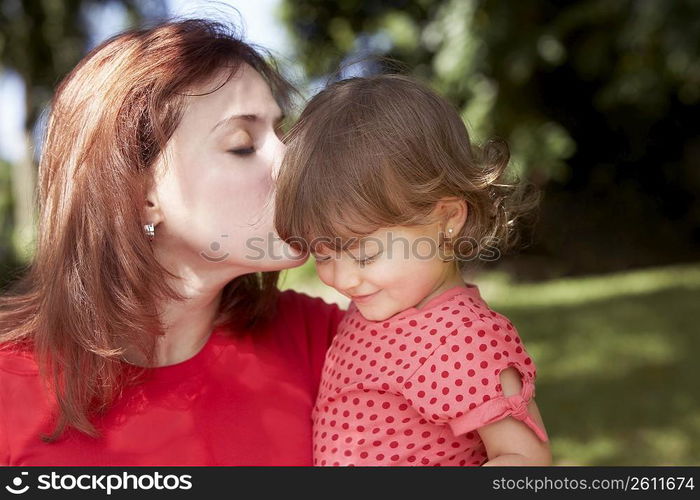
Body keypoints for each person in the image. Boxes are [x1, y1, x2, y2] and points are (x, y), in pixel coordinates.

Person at [0, 19, 344, 465]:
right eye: (242, 144)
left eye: (282, 133)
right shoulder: (10, 388)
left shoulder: (331, 341)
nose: (291, 159)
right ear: (139, 196)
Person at [275, 74, 551, 466]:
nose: (343, 279)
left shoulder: (462, 336)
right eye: (322, 254)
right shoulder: (379, 309)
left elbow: (525, 460)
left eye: (365, 254)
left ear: (447, 219)